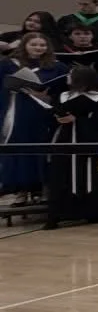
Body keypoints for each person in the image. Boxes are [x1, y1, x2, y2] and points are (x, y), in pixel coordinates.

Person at [45, 63, 98, 228]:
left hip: (88, 139)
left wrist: (78, 120)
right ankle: (57, 214)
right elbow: (52, 115)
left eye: (71, 74)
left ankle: (91, 212)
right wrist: (58, 118)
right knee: (61, 175)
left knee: (90, 175)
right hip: (65, 139)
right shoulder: (62, 95)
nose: (67, 77)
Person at [1, 32, 67, 201]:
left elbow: (63, 90)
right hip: (19, 110)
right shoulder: (8, 64)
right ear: (24, 46)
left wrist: (48, 96)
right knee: (21, 148)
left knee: (43, 148)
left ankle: (45, 188)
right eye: (34, 45)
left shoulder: (57, 66)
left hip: (44, 112)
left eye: (42, 45)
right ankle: (21, 190)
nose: (38, 48)